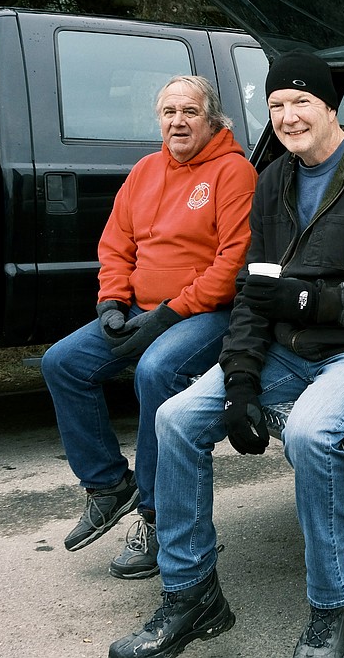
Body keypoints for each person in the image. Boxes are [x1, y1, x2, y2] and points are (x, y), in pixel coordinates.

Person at [108, 50, 344, 658]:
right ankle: (191, 594)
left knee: (311, 434)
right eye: (277, 107)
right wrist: (239, 380)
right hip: (293, 349)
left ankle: (332, 606)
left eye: (301, 103)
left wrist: (316, 301)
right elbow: (254, 294)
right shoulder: (275, 182)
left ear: (331, 107)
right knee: (176, 419)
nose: (290, 118)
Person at [42, 75, 256, 580]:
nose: (178, 121)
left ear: (213, 119)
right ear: (158, 119)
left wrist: (167, 315)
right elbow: (116, 244)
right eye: (168, 112)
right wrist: (112, 302)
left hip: (207, 314)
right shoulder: (144, 170)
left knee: (156, 371)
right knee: (63, 362)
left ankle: (157, 517)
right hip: (140, 308)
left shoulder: (234, 172)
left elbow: (232, 265)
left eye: (190, 112)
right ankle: (109, 485)